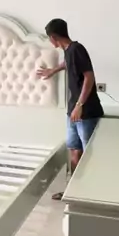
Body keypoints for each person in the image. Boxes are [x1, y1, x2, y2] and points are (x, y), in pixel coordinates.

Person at [37, 18, 103, 200]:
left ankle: (90, 194)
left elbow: (89, 77)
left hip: (86, 113)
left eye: (49, 38)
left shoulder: (77, 49)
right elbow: (68, 63)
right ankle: (73, 191)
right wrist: (53, 70)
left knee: (88, 154)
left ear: (53, 37)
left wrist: (79, 106)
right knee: (74, 150)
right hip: (73, 112)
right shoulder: (69, 51)